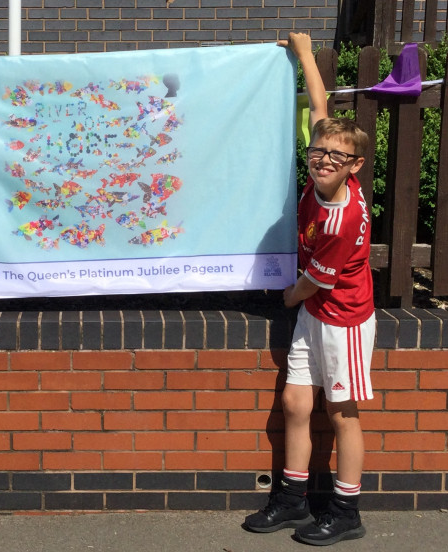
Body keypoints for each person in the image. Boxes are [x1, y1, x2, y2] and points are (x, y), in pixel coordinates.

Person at [244, 33, 373, 546]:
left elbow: (315, 281)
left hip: (342, 318)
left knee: (342, 414)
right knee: (298, 405)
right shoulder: (323, 176)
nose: (322, 159)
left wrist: (286, 298)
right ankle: (293, 500)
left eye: (336, 157)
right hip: (315, 313)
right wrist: (303, 51)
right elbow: (321, 105)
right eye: (319, 151)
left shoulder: (345, 218)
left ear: (354, 167)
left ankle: (346, 510)